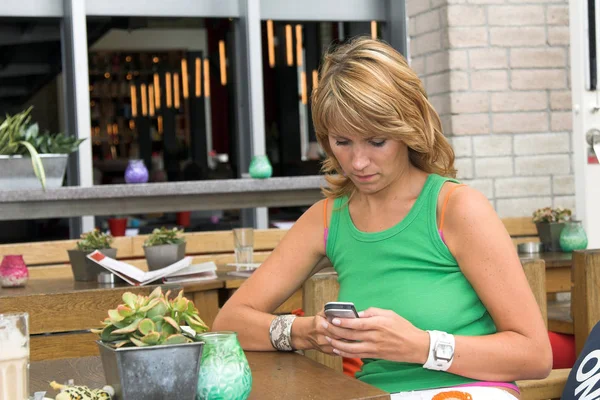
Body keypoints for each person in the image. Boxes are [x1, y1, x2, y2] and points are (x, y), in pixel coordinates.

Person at [212, 37, 552, 400]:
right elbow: (229, 323)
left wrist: (421, 346)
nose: (358, 162)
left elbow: (534, 355)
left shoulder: (456, 208)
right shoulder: (329, 218)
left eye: (376, 141)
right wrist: (307, 332)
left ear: (409, 129)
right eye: (342, 142)